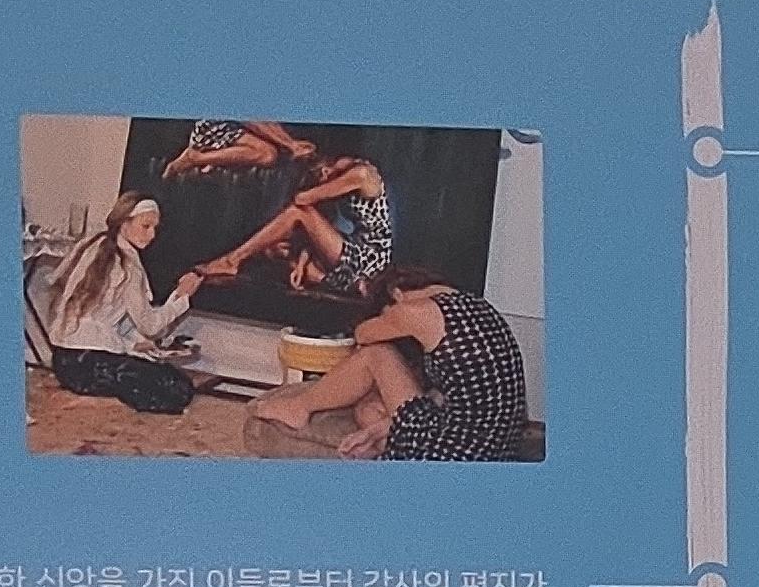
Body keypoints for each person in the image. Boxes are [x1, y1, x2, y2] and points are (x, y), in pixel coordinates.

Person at [240, 269, 531, 459]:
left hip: (450, 454)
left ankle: (299, 407)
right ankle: (383, 442)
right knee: (369, 411)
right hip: (495, 448)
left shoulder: (415, 312)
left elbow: (363, 335)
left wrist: (385, 317)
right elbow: (456, 403)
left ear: (397, 295)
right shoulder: (473, 305)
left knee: (376, 354)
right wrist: (380, 429)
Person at [187, 147, 397, 306]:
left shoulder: (361, 174)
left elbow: (302, 199)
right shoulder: (346, 177)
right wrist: (301, 264)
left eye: (324, 172)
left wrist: (318, 184)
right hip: (354, 249)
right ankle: (341, 282)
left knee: (298, 212)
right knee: (277, 251)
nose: (325, 176)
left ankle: (232, 261)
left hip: (371, 257)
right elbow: (317, 235)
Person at [33, 193, 203, 365]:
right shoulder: (128, 266)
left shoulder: (90, 244)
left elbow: (103, 317)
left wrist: (133, 344)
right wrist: (182, 298)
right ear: (124, 223)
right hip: (93, 359)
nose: (152, 235)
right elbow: (150, 326)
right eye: (145, 226)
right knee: (172, 380)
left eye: (155, 228)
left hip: (62, 356)